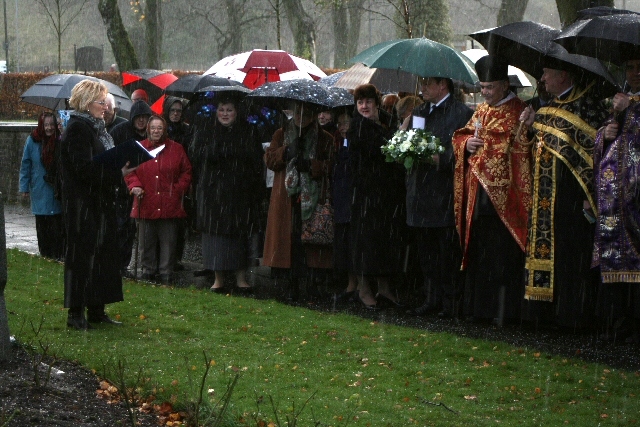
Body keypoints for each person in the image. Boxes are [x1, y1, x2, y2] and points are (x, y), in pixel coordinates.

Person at [520, 62, 609, 329]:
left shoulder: (588, 107)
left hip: (573, 199)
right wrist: (529, 126)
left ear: (564, 75)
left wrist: (589, 196)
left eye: (547, 73)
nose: (543, 77)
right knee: (550, 254)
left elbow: (596, 159)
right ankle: (544, 314)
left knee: (572, 258)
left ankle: (573, 317)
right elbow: (530, 149)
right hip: (545, 199)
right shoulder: (545, 109)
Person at [452, 55, 532, 324]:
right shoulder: (482, 111)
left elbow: (518, 151)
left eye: (490, 87)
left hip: (505, 202)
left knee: (502, 259)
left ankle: (502, 314)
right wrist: (467, 146)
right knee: (480, 256)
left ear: (505, 86)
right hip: (478, 200)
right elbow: (463, 134)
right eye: (482, 87)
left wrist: (483, 149)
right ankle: (479, 311)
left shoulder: (519, 111)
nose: (484, 92)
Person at [58, 80, 136, 330]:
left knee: (102, 257)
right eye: (101, 102)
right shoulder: (79, 129)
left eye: (105, 102)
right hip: (83, 205)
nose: (105, 107)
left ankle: (97, 309)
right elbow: (83, 169)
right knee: (83, 258)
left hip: (99, 203)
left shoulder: (95, 129)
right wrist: (117, 173)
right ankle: (76, 313)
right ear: (86, 102)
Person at [404, 77, 473, 318]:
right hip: (420, 192)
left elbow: (465, 149)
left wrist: (442, 159)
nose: (422, 87)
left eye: (427, 83)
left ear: (442, 86)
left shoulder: (461, 112)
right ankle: (430, 298)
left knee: (446, 252)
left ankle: (450, 302)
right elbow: (413, 140)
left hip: (444, 193)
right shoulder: (420, 111)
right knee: (426, 252)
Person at [190, 97, 264, 292]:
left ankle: (241, 278)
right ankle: (218, 279)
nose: (225, 113)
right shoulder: (206, 131)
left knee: (239, 237)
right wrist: (214, 150)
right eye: (221, 109)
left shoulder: (248, 132)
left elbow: (255, 161)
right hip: (213, 196)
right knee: (216, 239)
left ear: (236, 112)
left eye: (229, 109)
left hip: (240, 195)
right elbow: (196, 156)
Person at [263, 101, 334, 300]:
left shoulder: (324, 138)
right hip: (287, 199)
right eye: (299, 111)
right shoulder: (281, 133)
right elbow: (269, 160)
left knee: (309, 244)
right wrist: (286, 151)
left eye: (308, 112)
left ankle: (311, 285)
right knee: (289, 241)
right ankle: (290, 285)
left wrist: (312, 166)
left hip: (312, 199)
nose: (303, 116)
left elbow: (331, 165)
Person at [592, 58, 640, 342]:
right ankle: (615, 321)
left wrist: (631, 111)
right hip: (614, 198)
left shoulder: (628, 104)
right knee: (614, 258)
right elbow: (604, 139)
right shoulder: (621, 98)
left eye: (639, 67)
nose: (635, 73)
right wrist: (604, 135)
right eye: (630, 66)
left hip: (636, 196)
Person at [348, 84, 406, 309]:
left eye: (368, 102)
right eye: (360, 102)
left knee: (382, 242)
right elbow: (384, 150)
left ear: (375, 103)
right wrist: (400, 133)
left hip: (383, 195)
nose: (364, 106)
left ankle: (384, 288)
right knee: (365, 243)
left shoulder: (381, 124)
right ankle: (363, 290)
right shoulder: (358, 127)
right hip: (365, 195)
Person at [125, 115, 192, 284]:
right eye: (153, 128)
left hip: (170, 204)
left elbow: (187, 172)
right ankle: (147, 271)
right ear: (148, 130)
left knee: (168, 242)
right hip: (145, 202)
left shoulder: (176, 149)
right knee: (145, 243)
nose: (156, 131)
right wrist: (135, 185)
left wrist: (177, 190)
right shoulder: (138, 148)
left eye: (159, 128)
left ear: (165, 130)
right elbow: (129, 171)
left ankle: (166, 273)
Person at [110, 100, 153, 276]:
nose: (141, 121)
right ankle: (119, 264)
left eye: (145, 118)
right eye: (138, 118)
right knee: (122, 227)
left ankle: (137, 265)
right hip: (123, 186)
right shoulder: (120, 132)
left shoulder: (152, 133)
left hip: (145, 186)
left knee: (139, 231)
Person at [19, 112, 65, 260]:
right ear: (41, 125)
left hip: (55, 189)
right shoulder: (32, 141)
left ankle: (57, 254)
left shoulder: (60, 140)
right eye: (46, 125)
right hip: (39, 188)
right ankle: (45, 254)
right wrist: (24, 186)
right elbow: (26, 164)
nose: (49, 128)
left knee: (56, 224)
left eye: (51, 124)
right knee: (42, 224)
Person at [163, 96, 193, 272]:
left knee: (180, 221)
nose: (175, 114)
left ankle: (176, 258)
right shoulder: (162, 128)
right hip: (164, 178)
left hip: (181, 178)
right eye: (172, 110)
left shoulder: (187, 131)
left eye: (178, 111)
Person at [331, 110, 358, 301]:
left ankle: (355, 285)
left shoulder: (352, 143)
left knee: (352, 242)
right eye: (340, 124)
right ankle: (350, 283)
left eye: (345, 123)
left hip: (352, 197)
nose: (342, 127)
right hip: (340, 197)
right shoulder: (338, 143)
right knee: (344, 244)